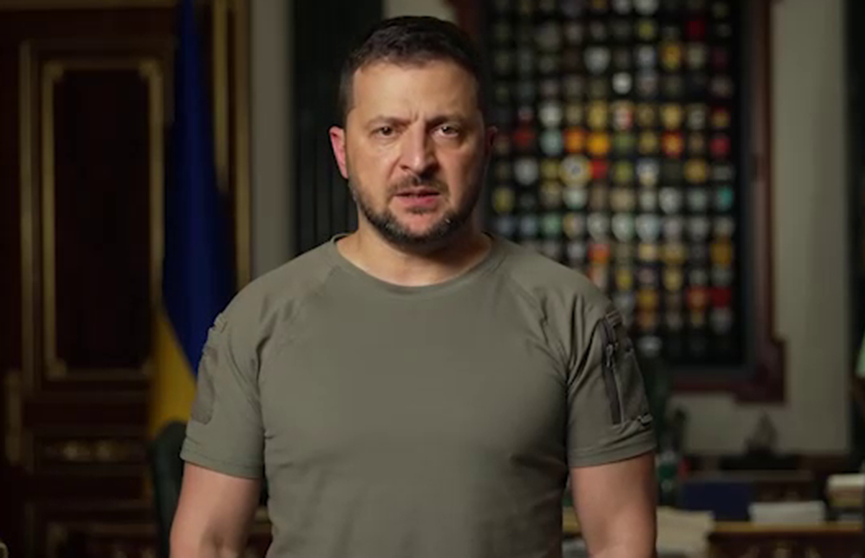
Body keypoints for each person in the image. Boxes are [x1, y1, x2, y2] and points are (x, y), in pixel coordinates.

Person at [171, 15, 657, 558]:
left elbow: (621, 540)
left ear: (486, 145)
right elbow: (207, 542)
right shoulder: (256, 321)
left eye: (447, 130)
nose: (418, 160)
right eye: (387, 131)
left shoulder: (574, 315)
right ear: (342, 151)